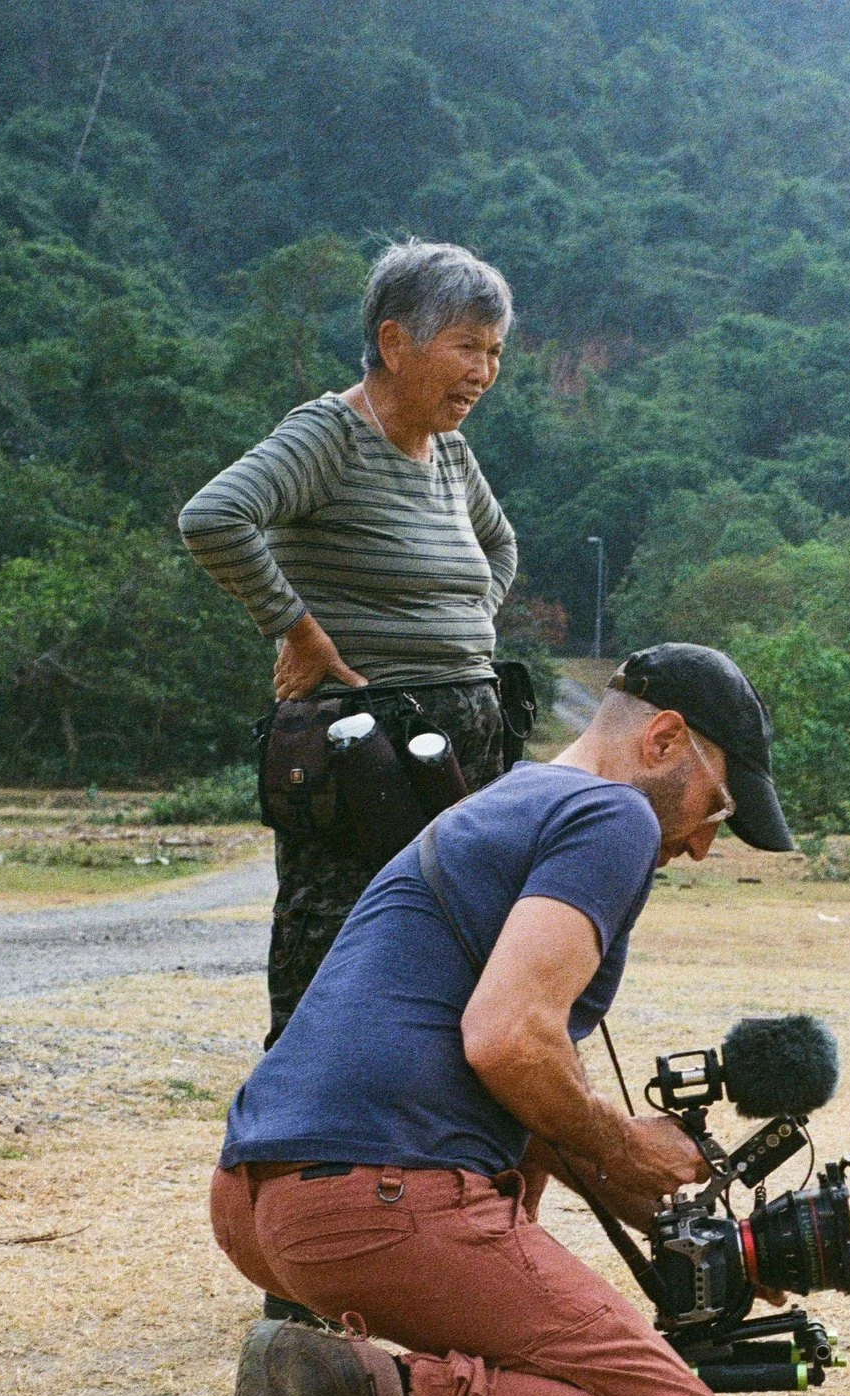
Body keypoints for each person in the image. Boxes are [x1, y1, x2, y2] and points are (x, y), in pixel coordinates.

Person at [209, 643, 799, 1396]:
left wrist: (661, 1213)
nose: (701, 842)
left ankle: (339, 1374)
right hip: (374, 1199)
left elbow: (511, 1082)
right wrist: (630, 1148)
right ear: (665, 738)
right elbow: (506, 1039)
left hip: (262, 1198)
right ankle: (347, 1388)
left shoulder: (514, 795)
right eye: (715, 805)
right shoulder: (612, 816)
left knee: (564, 1358)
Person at [179, 238, 524, 1046]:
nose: (483, 371)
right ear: (396, 343)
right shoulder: (329, 436)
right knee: (332, 973)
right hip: (360, 758)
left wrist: (466, 629)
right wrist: (295, 628)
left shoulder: (453, 453)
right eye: (466, 347)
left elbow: (501, 546)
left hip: (462, 760)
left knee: (452, 973)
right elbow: (213, 517)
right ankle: (301, 1154)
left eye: (495, 352)